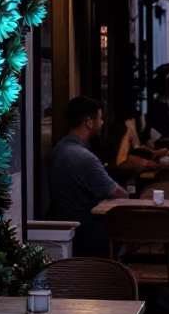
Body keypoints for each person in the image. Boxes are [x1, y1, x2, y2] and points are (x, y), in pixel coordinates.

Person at [47, 96, 128, 256]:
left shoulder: (59, 149)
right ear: (89, 123)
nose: (103, 123)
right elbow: (119, 194)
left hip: (65, 228)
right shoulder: (84, 157)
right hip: (86, 233)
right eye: (101, 118)